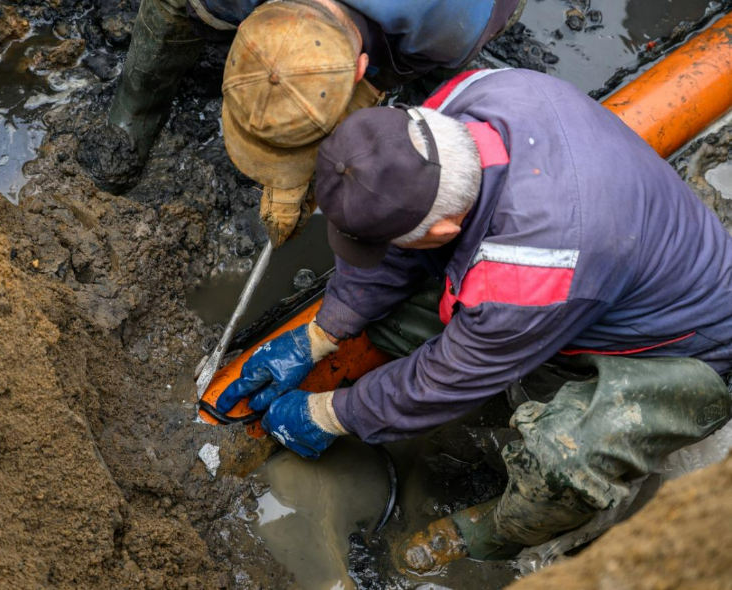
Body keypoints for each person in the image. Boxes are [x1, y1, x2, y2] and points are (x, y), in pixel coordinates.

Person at [215, 68, 732, 572]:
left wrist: (330, 414)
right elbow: (394, 236)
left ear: (443, 229)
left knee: (565, 463)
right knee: (396, 319)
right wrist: (321, 333)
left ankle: (489, 534)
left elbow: (442, 382)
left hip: (680, 350)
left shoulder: (532, 270)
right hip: (597, 266)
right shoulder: (457, 107)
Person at [86, 0, 526, 246]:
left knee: (422, 65)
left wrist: (326, 159)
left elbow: (392, 69)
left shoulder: (455, 24)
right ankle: (138, 106)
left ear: (358, 68)